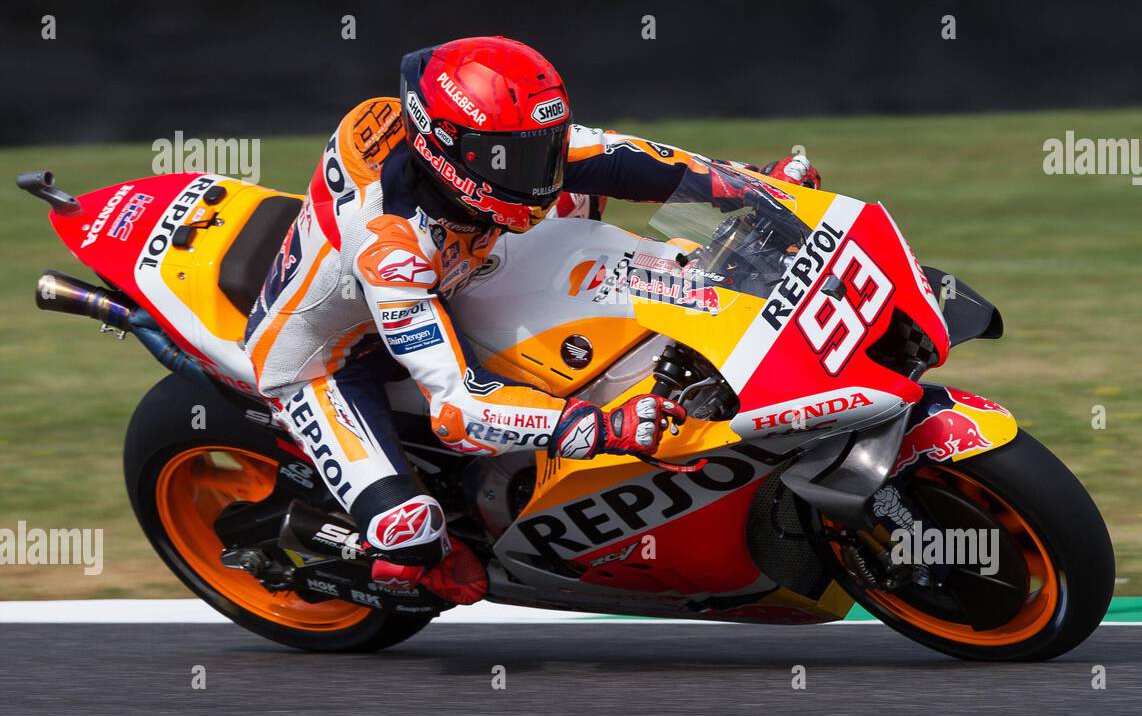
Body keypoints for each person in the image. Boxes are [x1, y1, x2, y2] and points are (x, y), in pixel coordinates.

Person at [242, 37, 820, 605]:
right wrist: (606, 427)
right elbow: (460, 412)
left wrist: (752, 185)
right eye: (514, 157)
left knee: (598, 204)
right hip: (330, 359)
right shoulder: (392, 249)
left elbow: (624, 158)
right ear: (447, 147)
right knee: (410, 530)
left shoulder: (471, 155)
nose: (542, 169)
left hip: (455, 265)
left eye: (543, 146)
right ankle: (405, 562)